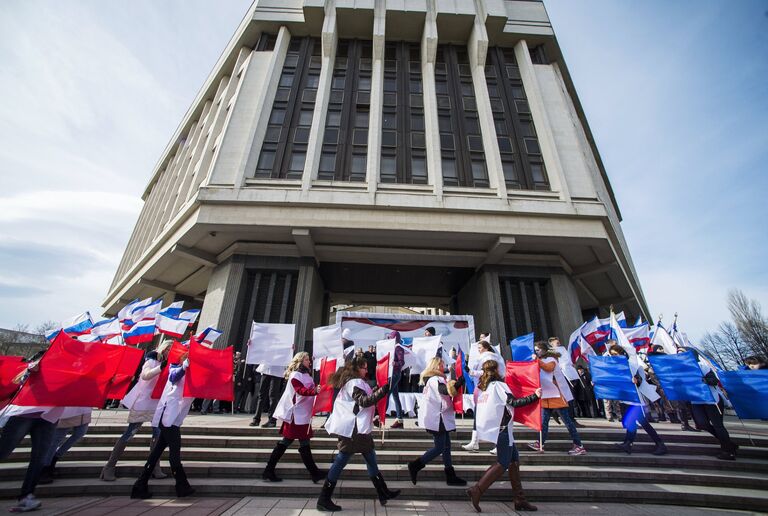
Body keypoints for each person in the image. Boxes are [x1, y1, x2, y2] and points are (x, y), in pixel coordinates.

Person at [317, 356, 399, 511]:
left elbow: (364, 398)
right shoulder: (354, 383)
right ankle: (324, 499)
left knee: (370, 457)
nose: (366, 370)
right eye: (364, 368)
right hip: (353, 429)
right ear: (356, 368)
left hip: (357, 428)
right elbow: (364, 401)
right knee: (342, 459)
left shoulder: (355, 382)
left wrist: (379, 389)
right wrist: (382, 390)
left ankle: (383, 492)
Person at [467, 359, 541, 512]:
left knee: (514, 461)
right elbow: (513, 402)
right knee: (503, 463)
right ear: (497, 370)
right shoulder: (499, 385)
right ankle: (478, 489)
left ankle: (520, 499)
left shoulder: (485, 388)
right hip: (503, 430)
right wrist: (535, 396)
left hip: (499, 429)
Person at [0, 355, 64, 512]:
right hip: (23, 415)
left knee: (40, 458)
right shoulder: (34, 364)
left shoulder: (68, 370)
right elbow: (16, 379)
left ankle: (26, 496)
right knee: (3, 451)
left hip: (48, 417)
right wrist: (29, 370)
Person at [100, 343, 170, 481]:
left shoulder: (169, 363)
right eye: (168, 349)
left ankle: (154, 466)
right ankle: (109, 466)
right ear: (163, 348)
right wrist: (160, 367)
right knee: (130, 433)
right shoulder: (152, 358)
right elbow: (145, 376)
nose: (170, 351)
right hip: (143, 400)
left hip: (157, 402)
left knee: (158, 435)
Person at [131, 351, 195, 499]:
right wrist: (185, 365)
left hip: (174, 419)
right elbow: (173, 377)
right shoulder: (175, 367)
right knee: (174, 452)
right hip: (167, 418)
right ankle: (181, 484)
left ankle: (140, 484)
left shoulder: (192, 375)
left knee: (156, 453)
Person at [263, 352, 324, 483]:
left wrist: (318, 390)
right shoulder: (295, 375)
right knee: (294, 442)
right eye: (307, 359)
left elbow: (309, 390)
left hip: (302, 414)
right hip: (296, 414)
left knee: (293, 442)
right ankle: (314, 473)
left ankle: (269, 470)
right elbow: (300, 391)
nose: (309, 361)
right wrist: (314, 391)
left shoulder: (306, 375)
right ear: (300, 361)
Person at [407, 357, 466, 486]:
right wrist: (458, 383)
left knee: (446, 447)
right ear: (436, 366)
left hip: (439, 416)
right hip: (438, 417)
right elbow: (443, 391)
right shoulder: (435, 379)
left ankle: (450, 475)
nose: (443, 365)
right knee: (440, 447)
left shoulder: (433, 380)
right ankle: (416, 465)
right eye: (441, 364)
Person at [607, 346, 667, 455]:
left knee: (640, 422)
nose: (613, 357)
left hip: (635, 400)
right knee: (632, 422)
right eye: (612, 355)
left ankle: (659, 444)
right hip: (625, 399)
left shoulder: (632, 365)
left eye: (615, 354)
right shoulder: (616, 368)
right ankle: (628, 443)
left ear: (622, 354)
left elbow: (641, 379)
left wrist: (636, 380)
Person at [681, 347, 739, 460]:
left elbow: (714, 381)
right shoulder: (681, 370)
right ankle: (729, 443)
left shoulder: (704, 367)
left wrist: (703, 380)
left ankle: (728, 450)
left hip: (712, 400)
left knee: (718, 425)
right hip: (696, 400)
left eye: (682, 353)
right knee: (702, 424)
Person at [528, 341, 586, 455]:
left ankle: (579, 445)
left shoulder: (551, 360)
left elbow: (548, 368)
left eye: (538, 350)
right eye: (535, 350)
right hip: (545, 396)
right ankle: (540, 442)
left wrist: (537, 360)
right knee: (543, 422)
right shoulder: (539, 361)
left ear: (544, 350)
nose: (537, 352)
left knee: (567, 422)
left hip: (556, 396)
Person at [462, 338, 505, 452]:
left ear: (486, 348)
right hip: (483, 388)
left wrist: (472, 372)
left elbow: (488, 372)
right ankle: (474, 442)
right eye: (478, 348)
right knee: (478, 413)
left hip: (491, 388)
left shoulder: (489, 357)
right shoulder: (485, 357)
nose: (479, 350)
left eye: (480, 348)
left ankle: (498, 444)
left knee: (494, 415)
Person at [37, 407, 91, 484]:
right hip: (67, 409)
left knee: (80, 432)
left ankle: (55, 457)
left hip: (84, 409)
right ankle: (45, 468)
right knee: (57, 439)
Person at [251, 363, 285, 427]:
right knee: (261, 395)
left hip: (276, 370)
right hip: (266, 369)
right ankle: (256, 419)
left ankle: (272, 420)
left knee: (273, 396)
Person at [386, 331, 406, 429]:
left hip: (395, 374)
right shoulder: (392, 347)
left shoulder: (398, 348)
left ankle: (379, 417)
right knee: (395, 396)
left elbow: (402, 361)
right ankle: (399, 420)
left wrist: (395, 363)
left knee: (386, 394)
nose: (389, 339)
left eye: (391, 337)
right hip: (391, 373)